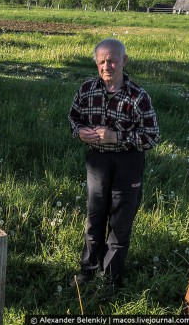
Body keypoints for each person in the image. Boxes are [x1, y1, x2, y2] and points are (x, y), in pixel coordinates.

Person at [68, 38, 160, 288]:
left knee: (120, 221)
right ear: (96, 63)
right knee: (95, 217)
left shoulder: (138, 96)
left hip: (128, 162)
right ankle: (87, 270)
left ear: (124, 61)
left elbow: (152, 137)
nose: (106, 66)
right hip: (97, 161)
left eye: (112, 60)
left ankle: (111, 279)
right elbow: (73, 117)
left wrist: (117, 137)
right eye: (102, 61)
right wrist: (79, 132)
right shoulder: (87, 89)